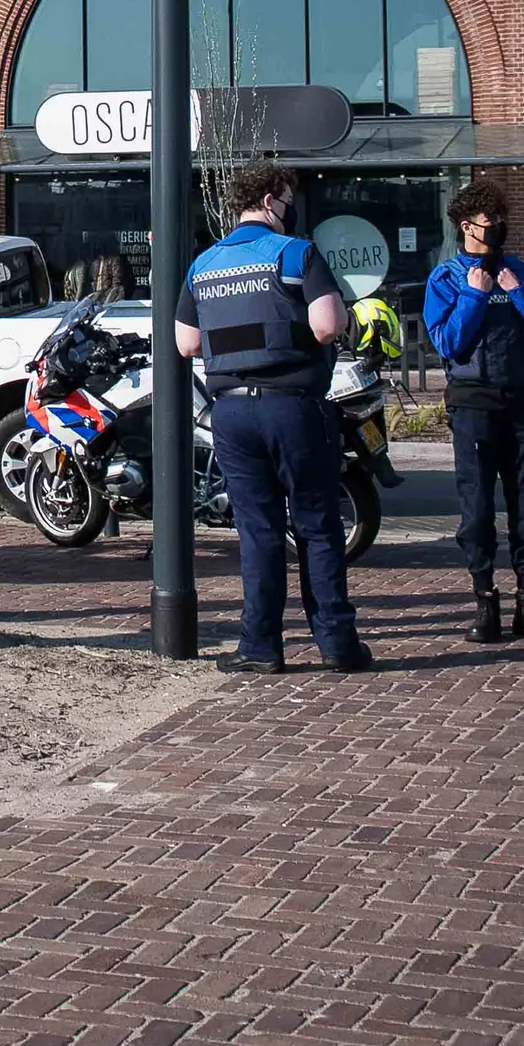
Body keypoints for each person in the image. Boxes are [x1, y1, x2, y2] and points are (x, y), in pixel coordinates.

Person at [179, 165, 367, 677]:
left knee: (257, 531)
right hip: (293, 405)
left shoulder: (203, 265)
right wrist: (347, 318)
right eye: (287, 198)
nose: (290, 208)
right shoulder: (295, 253)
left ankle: (260, 646)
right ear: (269, 199)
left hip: (232, 413)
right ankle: (336, 644)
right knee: (316, 526)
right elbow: (326, 326)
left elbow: (187, 344)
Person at [419, 181, 524, 642]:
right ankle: (485, 601)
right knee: (478, 507)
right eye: (490, 223)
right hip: (472, 407)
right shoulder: (445, 279)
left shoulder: (520, 272)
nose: (498, 229)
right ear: (467, 227)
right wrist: (475, 294)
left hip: (519, 403)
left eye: (502, 221)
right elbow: (447, 342)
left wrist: (518, 292)